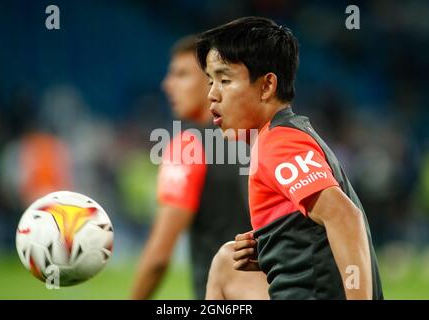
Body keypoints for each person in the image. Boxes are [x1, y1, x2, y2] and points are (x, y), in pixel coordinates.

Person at [196, 17, 383, 299]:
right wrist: (274, 249)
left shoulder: (280, 143)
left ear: (266, 86)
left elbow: (345, 217)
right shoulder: (285, 134)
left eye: (224, 79)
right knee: (227, 262)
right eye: (210, 81)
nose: (212, 94)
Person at [130, 36, 266, 300]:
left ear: (211, 82)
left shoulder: (188, 146)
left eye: (181, 75)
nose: (167, 85)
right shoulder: (262, 137)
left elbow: (158, 257)